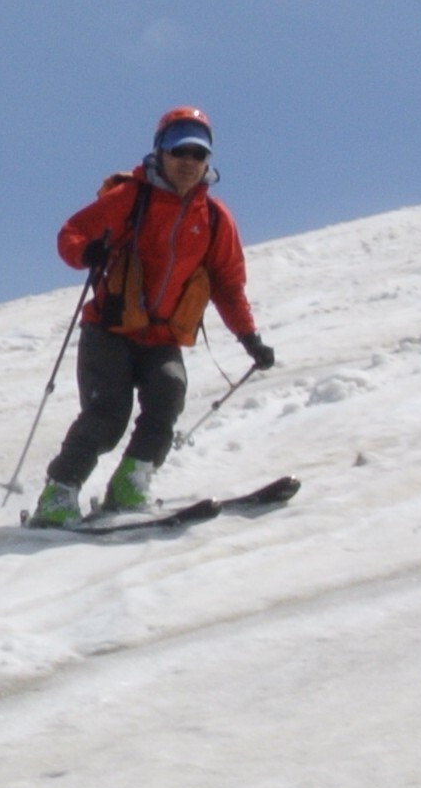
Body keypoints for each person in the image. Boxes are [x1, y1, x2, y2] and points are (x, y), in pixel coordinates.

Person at [31, 106, 276, 527]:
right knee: (107, 415)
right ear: (160, 151)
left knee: (168, 396)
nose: (188, 162)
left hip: (161, 336)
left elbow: (228, 285)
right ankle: (57, 496)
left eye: (198, 154)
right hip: (110, 327)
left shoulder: (215, 220)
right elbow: (71, 233)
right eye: (179, 150)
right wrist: (85, 252)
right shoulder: (130, 197)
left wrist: (249, 338)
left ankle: (129, 486)